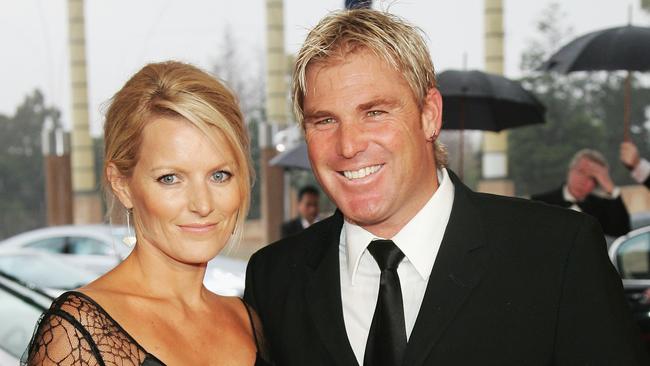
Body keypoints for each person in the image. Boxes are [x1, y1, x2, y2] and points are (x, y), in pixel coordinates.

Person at [244, 8, 648, 366]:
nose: (348, 145)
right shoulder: (274, 277)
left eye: (375, 112)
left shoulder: (558, 254)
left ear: (429, 115)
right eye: (324, 120)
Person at [23, 61, 272, 366]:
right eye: (170, 178)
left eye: (219, 175)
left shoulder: (249, 321)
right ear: (122, 184)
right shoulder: (80, 333)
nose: (202, 204)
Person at [532, 149, 631, 237]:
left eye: (592, 177)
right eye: (581, 171)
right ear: (570, 170)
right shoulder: (539, 203)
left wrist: (610, 187)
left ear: (597, 184)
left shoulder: (601, 207)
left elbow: (622, 231)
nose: (583, 180)